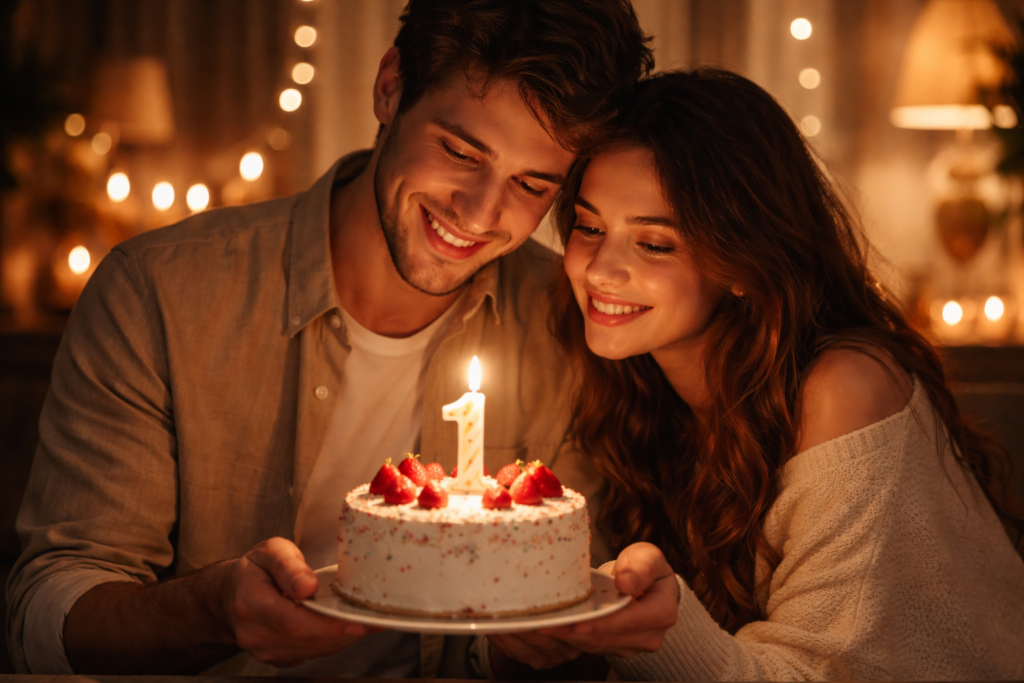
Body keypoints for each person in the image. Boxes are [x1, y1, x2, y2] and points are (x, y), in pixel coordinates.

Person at [5, 0, 654, 675]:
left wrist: (547, 636)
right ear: (390, 87)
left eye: (531, 184)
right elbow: (46, 616)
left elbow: (565, 607)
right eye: (461, 151)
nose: (481, 213)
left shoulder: (570, 324)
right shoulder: (158, 293)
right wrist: (216, 610)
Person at [487, 69, 1024, 680]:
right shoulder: (625, 378)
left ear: (742, 260)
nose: (601, 271)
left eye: (655, 244)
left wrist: (653, 628)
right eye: (589, 227)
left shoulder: (844, 389)